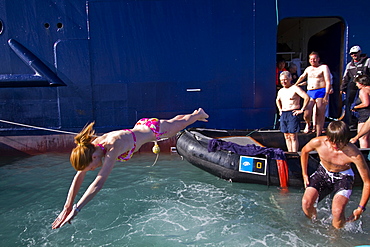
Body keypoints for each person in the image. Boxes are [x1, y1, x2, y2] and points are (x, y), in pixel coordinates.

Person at [52, 108, 209, 229]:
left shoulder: (113, 146)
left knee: (185, 122)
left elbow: (98, 184)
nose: (91, 170)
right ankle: (194, 114)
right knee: (175, 122)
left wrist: (77, 209)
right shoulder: (92, 147)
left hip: (155, 130)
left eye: (90, 167)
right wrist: (67, 207)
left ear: (93, 157)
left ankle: (198, 114)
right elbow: (79, 176)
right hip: (142, 126)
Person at [300, 121, 370, 229]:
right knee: (306, 203)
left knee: (337, 212)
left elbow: (367, 182)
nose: (335, 146)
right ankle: (315, 225)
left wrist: (360, 208)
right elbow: (304, 151)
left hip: (343, 176)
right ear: (328, 138)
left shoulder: (354, 154)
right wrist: (304, 174)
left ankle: (336, 236)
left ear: (346, 140)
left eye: (339, 142)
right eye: (332, 142)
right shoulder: (318, 142)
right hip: (323, 172)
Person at [295, 52, 331, 136]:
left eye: (314, 59)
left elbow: (328, 81)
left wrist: (326, 95)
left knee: (319, 113)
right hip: (310, 92)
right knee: (306, 112)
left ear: (318, 59)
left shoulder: (323, 67)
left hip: (321, 90)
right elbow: (302, 77)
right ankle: (308, 124)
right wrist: (296, 84)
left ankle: (318, 133)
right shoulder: (308, 69)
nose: (313, 61)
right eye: (311, 59)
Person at [276, 71, 309, 152]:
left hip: (293, 113)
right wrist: (280, 110)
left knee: (293, 136)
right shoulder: (281, 91)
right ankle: (289, 152)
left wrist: (302, 110)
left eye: (285, 80)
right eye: (281, 80)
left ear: (290, 78)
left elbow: (306, 97)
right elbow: (277, 100)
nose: (283, 82)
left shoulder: (295, 88)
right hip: (284, 113)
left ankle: (294, 153)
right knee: (286, 135)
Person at [341, 45, 370, 126]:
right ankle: (352, 122)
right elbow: (345, 77)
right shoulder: (350, 65)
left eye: (355, 53)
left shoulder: (367, 61)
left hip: (365, 85)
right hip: (354, 86)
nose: (354, 55)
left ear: (360, 52)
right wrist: (342, 88)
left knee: (365, 102)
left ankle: (366, 120)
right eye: (352, 54)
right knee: (350, 103)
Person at [352, 75, 370, 148]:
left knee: (362, 137)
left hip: (364, 115)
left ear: (361, 83)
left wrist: (355, 107)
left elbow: (366, 103)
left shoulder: (363, 90)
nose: (356, 85)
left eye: (357, 83)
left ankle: (364, 155)